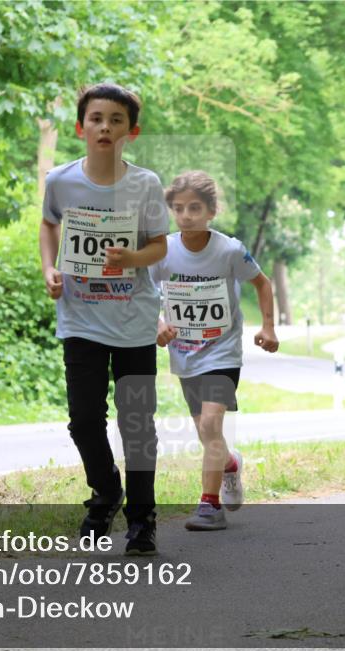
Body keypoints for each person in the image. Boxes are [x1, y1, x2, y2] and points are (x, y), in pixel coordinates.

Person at [39, 83, 169, 556]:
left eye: (116, 120)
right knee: (84, 420)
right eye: (96, 118)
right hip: (82, 319)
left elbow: (159, 245)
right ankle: (107, 490)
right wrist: (49, 269)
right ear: (80, 127)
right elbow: (49, 225)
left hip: (133, 319)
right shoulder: (61, 181)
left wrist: (132, 257)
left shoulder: (146, 184)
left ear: (130, 132)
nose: (105, 127)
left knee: (137, 424)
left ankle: (142, 521)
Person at [149, 171, 279, 531]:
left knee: (210, 422)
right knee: (208, 435)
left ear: (211, 211)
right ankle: (230, 465)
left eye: (194, 207)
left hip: (222, 352)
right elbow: (145, 292)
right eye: (178, 208)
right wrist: (159, 323)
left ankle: (209, 505)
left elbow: (262, 284)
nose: (185, 215)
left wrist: (267, 326)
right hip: (185, 355)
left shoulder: (229, 250)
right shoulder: (164, 250)